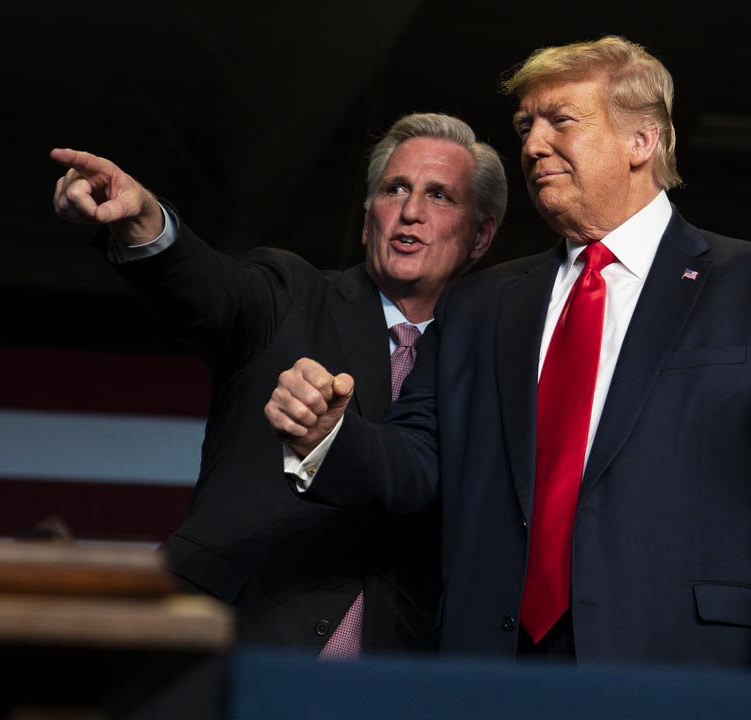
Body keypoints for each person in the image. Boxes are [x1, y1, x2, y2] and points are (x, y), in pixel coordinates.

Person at [268, 37, 751, 671]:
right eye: (526, 125)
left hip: (678, 672)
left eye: (561, 120)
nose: (532, 145)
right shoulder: (480, 306)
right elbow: (418, 456)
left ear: (643, 141)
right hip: (493, 669)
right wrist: (329, 437)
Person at [51, 112, 507, 656]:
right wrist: (143, 222)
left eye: (440, 196)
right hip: (233, 644)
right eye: (395, 189)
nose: (410, 212)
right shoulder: (288, 296)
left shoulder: (494, 361)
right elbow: (207, 289)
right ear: (367, 220)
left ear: (480, 235)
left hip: (394, 674)